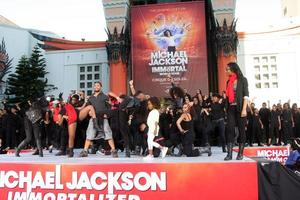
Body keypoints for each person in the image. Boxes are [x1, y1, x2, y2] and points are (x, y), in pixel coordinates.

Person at [79, 82, 118, 158]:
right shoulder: (91, 98)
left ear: (101, 87)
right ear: (93, 87)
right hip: (93, 119)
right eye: (95, 86)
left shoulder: (105, 97)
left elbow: (109, 108)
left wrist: (107, 115)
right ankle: (85, 151)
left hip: (103, 118)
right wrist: (89, 112)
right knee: (89, 133)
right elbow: (88, 108)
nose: (96, 87)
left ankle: (113, 150)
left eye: (98, 85)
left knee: (108, 133)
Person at [224, 62, 249, 161]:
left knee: (241, 130)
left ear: (233, 69)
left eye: (227, 69)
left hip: (240, 108)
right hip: (231, 108)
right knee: (229, 129)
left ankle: (240, 153)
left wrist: (244, 109)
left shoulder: (243, 80)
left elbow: (246, 95)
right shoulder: (228, 81)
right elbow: (227, 96)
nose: (226, 71)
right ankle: (229, 154)